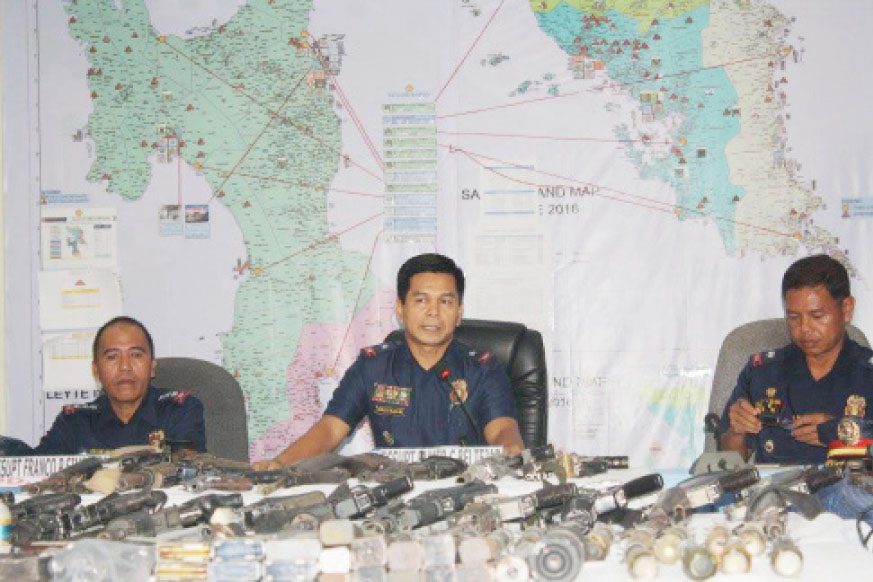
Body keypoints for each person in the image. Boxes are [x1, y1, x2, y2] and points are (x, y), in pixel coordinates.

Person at [256, 253, 525, 469]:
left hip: (466, 495)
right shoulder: (373, 367)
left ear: (459, 312)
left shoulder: (483, 369)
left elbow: (502, 429)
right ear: (400, 308)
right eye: (421, 300)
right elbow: (330, 429)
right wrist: (281, 464)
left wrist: (511, 449)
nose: (433, 312)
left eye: (445, 302)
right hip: (394, 495)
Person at [720, 254, 873, 464]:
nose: (804, 329)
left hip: (852, 493)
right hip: (775, 494)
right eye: (793, 317)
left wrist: (846, 435)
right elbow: (727, 461)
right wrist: (736, 430)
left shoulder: (867, 374)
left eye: (817, 316)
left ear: (846, 309)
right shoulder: (762, 373)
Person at [33, 316, 207, 454]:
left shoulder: (179, 411)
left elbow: (187, 469)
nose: (125, 367)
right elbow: (39, 473)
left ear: (152, 367)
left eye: (136, 355)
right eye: (112, 357)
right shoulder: (74, 422)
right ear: (96, 370)